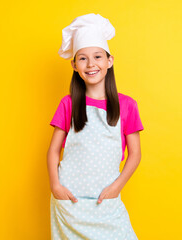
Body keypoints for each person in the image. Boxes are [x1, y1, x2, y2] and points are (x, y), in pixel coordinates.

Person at [47, 13, 144, 240]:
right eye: (82, 58)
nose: (91, 64)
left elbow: (135, 154)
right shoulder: (68, 104)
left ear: (109, 61)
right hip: (70, 202)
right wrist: (55, 186)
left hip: (105, 200)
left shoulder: (127, 105)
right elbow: (53, 150)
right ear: (74, 65)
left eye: (98, 56)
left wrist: (116, 188)